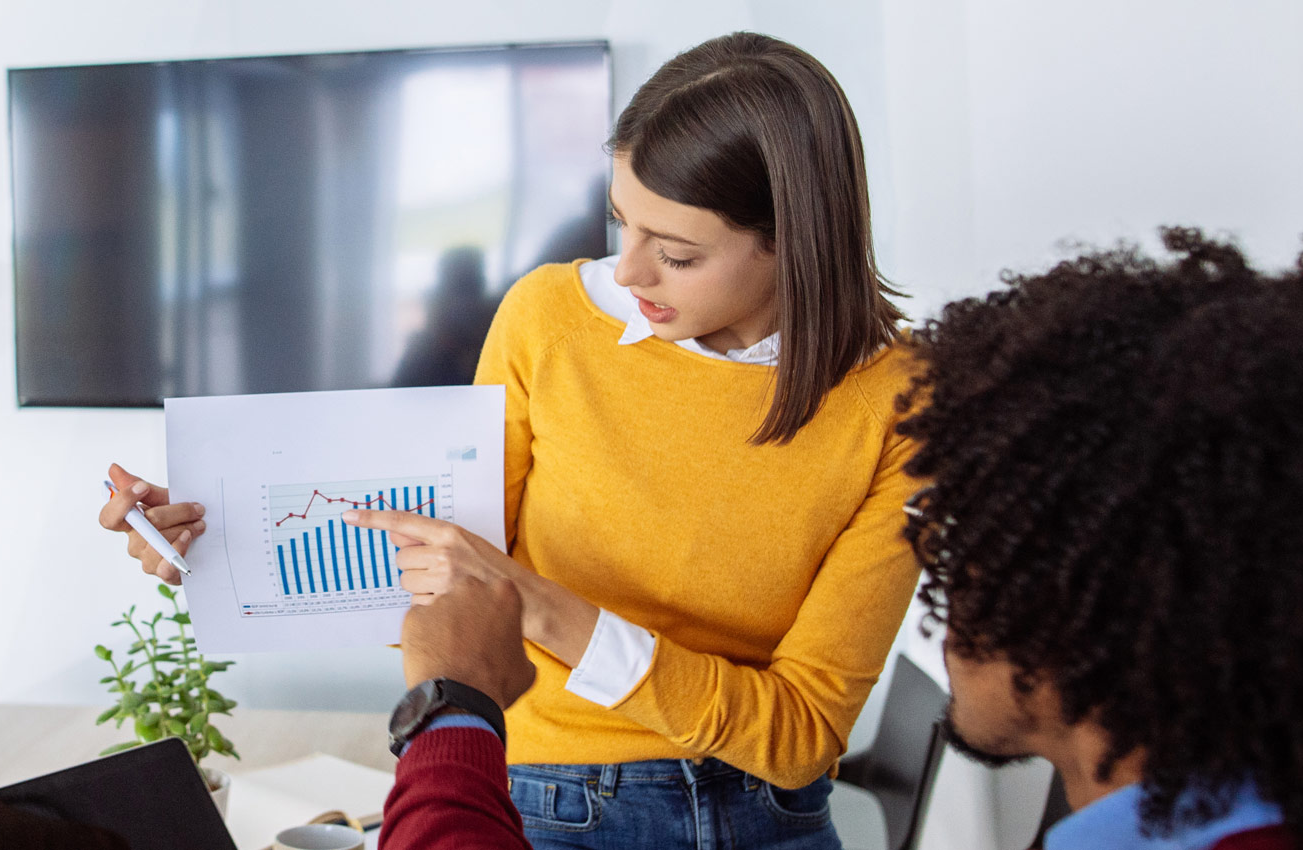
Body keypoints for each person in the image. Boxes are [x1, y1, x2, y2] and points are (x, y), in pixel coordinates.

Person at [373, 228, 1303, 850]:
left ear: (1086, 606)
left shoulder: (883, 396)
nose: (940, 593)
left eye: (973, 545)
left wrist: (452, 709)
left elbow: (798, 733)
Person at [101, 32, 921, 849]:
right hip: (550, 798)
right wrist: (223, 546)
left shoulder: (903, 400)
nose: (628, 272)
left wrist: (539, 607)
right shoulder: (550, 319)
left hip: (770, 816)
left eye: (675, 254)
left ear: (793, 241)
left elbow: (802, 734)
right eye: (621, 224)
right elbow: (446, 597)